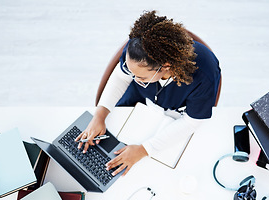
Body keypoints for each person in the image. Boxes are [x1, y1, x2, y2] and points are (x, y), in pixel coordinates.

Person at [76, 10, 221, 176]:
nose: (133, 77)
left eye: (140, 76)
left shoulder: (205, 74)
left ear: (165, 66)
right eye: (132, 73)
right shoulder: (138, 47)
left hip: (173, 113)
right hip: (136, 101)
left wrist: (143, 150)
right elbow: (121, 78)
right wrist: (99, 116)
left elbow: (191, 122)